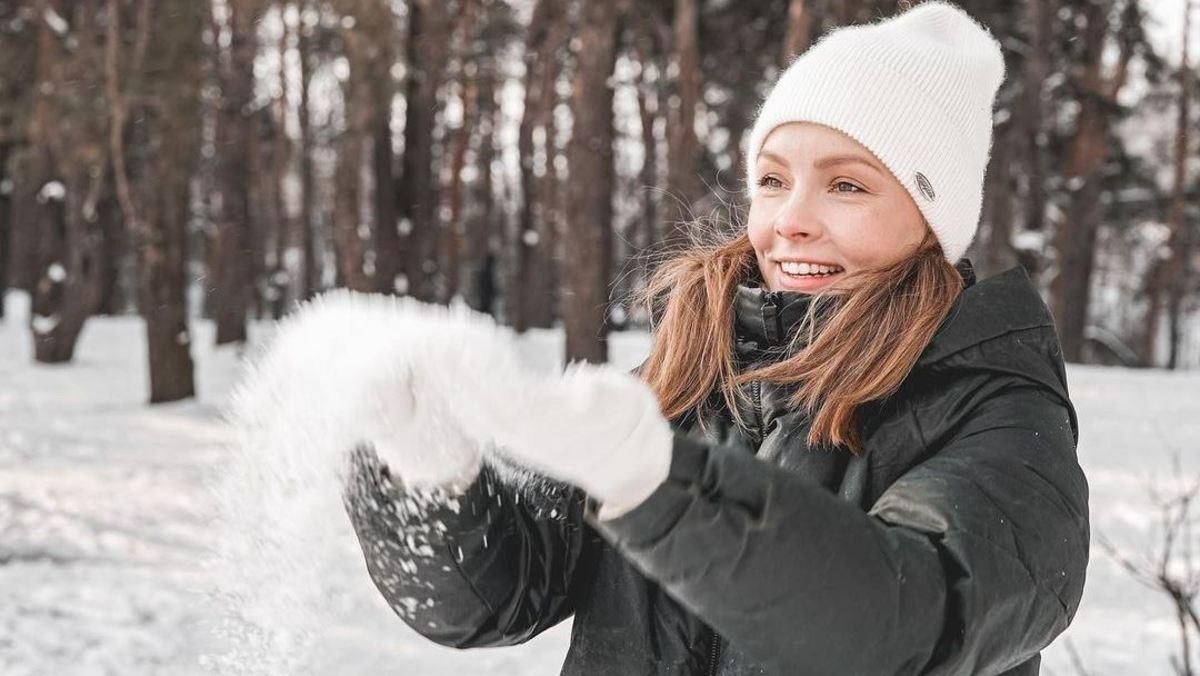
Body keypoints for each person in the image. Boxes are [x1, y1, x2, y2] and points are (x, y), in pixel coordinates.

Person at [341, 3, 1089, 674]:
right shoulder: (691, 378)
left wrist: (659, 488)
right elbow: (498, 600)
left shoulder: (1003, 418)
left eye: (847, 185)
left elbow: (904, 625)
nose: (790, 218)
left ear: (934, 220)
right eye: (772, 180)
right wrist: (430, 476)